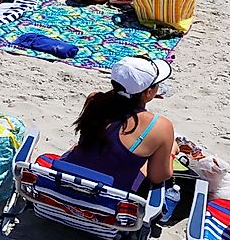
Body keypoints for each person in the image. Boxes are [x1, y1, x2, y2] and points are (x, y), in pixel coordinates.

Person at [59, 57, 176, 192]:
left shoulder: (95, 101)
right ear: (149, 92)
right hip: (106, 201)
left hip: (64, 185)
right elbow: (158, 176)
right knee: (170, 193)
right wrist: (172, 150)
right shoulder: (160, 126)